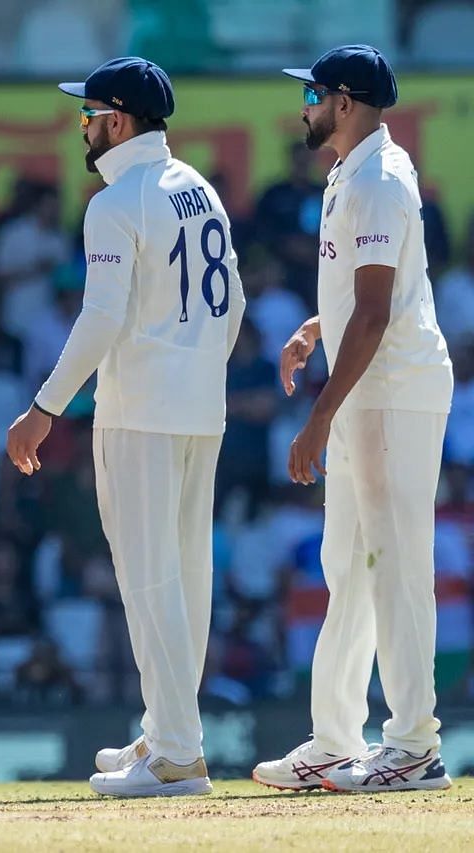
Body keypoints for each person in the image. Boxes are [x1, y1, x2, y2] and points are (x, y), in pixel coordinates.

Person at [5, 57, 245, 798]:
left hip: (142, 409)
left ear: (118, 120)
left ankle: (176, 751)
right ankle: (167, 727)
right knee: (184, 576)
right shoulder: (198, 188)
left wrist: (44, 406)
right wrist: (195, 366)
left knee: (150, 578)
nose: (84, 126)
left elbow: (101, 316)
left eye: (90, 114)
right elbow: (231, 304)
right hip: (203, 404)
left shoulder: (115, 203)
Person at [253, 45, 454, 793]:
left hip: (392, 391)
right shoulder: (352, 172)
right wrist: (315, 324)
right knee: (351, 567)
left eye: (310, 94)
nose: (301, 106)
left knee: (397, 566)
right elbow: (366, 298)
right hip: (368, 383)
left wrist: (318, 417)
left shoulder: (375, 179)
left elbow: (375, 313)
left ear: (344, 101)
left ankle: (413, 745)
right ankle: (336, 742)